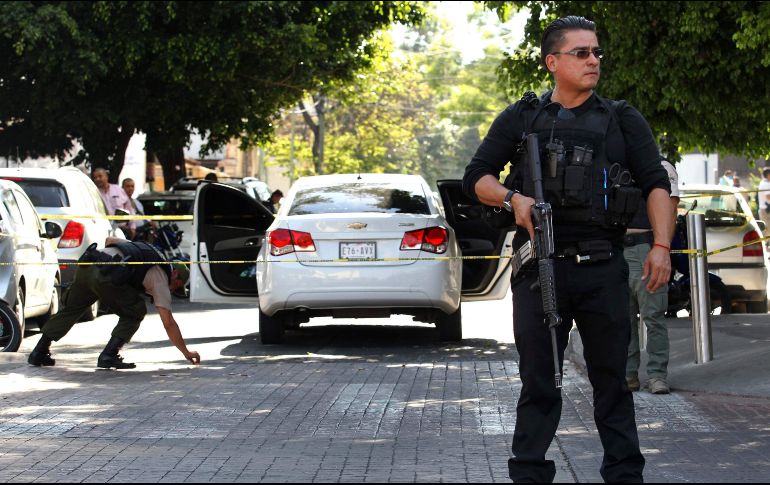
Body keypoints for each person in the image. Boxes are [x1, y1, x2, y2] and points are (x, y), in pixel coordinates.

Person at [462, 16, 672, 483]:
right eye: (582, 53)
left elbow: (657, 184)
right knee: (539, 384)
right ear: (552, 62)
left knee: (612, 384)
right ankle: (530, 475)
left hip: (603, 267)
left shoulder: (622, 118)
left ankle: (624, 475)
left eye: (597, 52)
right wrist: (514, 199)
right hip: (541, 268)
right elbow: (476, 177)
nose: (594, 60)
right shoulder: (523, 117)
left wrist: (661, 246)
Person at [27, 237, 200, 369]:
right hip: (106, 277)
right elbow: (168, 323)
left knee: (72, 308)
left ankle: (39, 352)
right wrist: (186, 352)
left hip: (88, 264)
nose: (172, 291)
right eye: (176, 287)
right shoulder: (161, 277)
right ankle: (109, 355)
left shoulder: (146, 249)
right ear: (175, 275)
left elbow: (109, 240)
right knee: (136, 312)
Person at [624, 160, 680, 395]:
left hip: (647, 247)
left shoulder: (661, 166)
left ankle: (657, 375)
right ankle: (628, 375)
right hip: (615, 248)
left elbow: (671, 211)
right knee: (622, 319)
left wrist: (661, 250)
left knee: (653, 316)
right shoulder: (613, 158)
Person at [93, 167, 136, 239]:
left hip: (122, 230)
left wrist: (132, 227)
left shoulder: (118, 190)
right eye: (95, 177)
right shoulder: (94, 194)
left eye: (100, 176)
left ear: (106, 177)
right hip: (103, 231)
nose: (98, 179)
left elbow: (129, 208)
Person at [758, 168, 770, 246]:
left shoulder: (764, 182)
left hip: (765, 209)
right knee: (767, 229)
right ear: (768, 175)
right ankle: (764, 245)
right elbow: (768, 197)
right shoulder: (765, 184)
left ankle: (765, 244)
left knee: (767, 229)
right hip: (766, 210)